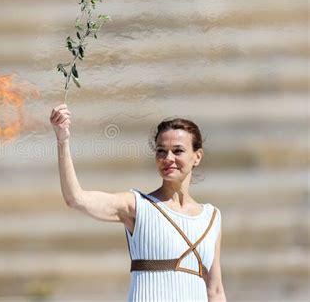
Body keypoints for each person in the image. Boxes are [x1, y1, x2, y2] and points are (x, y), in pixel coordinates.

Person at [50, 104, 227, 302]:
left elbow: (215, 290)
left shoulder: (211, 217)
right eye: (161, 151)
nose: (168, 158)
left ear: (197, 156)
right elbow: (75, 198)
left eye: (178, 151)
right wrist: (62, 140)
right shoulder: (137, 205)